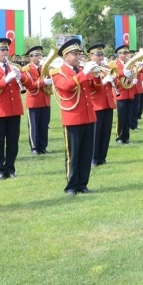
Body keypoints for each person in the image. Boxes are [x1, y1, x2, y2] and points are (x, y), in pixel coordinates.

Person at [51, 39, 97, 195]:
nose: (78, 56)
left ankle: (83, 184)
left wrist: (97, 75)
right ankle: (71, 186)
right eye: (75, 54)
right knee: (73, 154)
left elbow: (95, 87)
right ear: (65, 56)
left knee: (86, 153)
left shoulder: (82, 70)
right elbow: (66, 86)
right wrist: (84, 73)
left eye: (79, 53)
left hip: (89, 116)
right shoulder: (58, 72)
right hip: (73, 117)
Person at [0, 38, 30, 180]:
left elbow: (31, 84)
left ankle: (10, 168)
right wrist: (6, 80)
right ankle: (0, 170)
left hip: (14, 109)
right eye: (2, 50)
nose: (5, 52)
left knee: (13, 143)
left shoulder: (13, 66)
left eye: (7, 50)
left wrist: (21, 76)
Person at [88, 44, 117, 167]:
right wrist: (103, 81)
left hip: (108, 103)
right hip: (96, 103)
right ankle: (94, 158)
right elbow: (88, 87)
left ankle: (102, 157)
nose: (101, 57)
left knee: (106, 133)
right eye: (98, 55)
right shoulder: (88, 68)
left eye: (102, 55)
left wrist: (113, 79)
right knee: (96, 133)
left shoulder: (107, 67)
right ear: (91, 56)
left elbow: (118, 83)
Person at [22, 46, 52, 155]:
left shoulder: (45, 67)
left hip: (45, 100)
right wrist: (44, 82)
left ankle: (43, 146)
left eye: (40, 55)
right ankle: (34, 147)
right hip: (34, 101)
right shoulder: (26, 69)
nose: (39, 57)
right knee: (34, 126)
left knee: (44, 124)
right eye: (36, 55)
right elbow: (30, 85)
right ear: (30, 57)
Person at [113, 45, 135, 145]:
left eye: (127, 53)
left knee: (128, 116)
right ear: (119, 54)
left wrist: (134, 78)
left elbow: (133, 74)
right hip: (120, 93)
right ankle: (119, 137)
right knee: (121, 117)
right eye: (124, 53)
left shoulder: (130, 64)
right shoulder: (114, 63)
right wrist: (123, 72)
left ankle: (126, 137)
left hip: (129, 92)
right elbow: (113, 74)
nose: (126, 55)